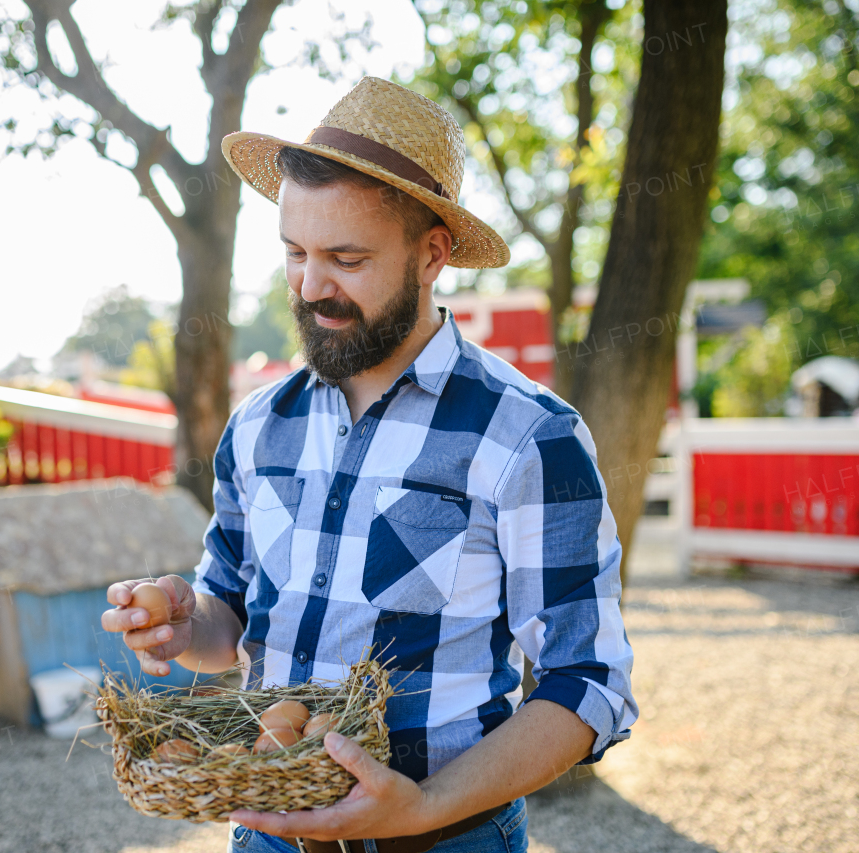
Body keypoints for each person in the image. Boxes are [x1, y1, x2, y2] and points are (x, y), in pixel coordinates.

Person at [101, 77, 638, 853]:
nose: (311, 286)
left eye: (346, 258)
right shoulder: (258, 426)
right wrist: (186, 623)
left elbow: (588, 683)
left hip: (448, 840)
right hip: (266, 837)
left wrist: (419, 806)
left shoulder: (529, 436)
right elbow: (231, 621)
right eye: (295, 253)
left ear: (431, 254)